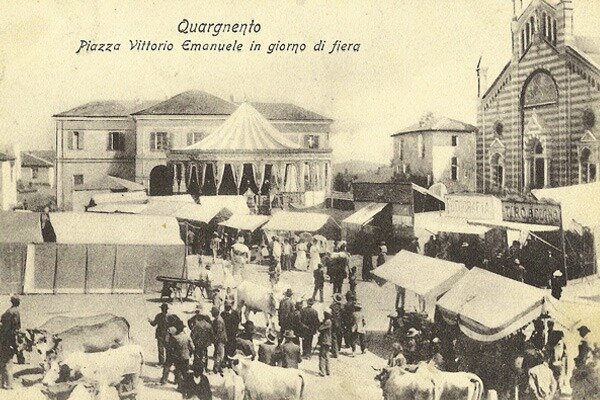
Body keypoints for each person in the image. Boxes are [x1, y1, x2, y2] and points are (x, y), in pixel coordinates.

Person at [0, 296, 21, 390]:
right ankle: (9, 385)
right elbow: (16, 328)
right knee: (8, 363)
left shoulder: (7, 312)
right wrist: (16, 343)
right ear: (17, 302)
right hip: (9, 340)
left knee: (3, 363)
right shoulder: (15, 312)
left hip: (3, 339)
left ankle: (2, 383)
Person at [169, 320, 194, 389]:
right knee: (185, 371)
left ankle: (179, 386)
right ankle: (186, 386)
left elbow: (171, 348)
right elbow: (192, 347)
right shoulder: (187, 337)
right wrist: (189, 354)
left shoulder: (175, 338)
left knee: (178, 371)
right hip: (186, 357)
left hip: (178, 357)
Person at [190, 308, 213, 375]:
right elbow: (211, 335)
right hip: (205, 344)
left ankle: (196, 368)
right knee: (205, 355)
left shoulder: (197, 325)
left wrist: (193, 341)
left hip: (198, 343)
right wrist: (210, 342)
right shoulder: (209, 325)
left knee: (197, 355)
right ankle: (204, 368)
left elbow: (192, 335)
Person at [211, 306, 226, 374]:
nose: (211, 314)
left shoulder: (218, 320)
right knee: (218, 354)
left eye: (212, 312)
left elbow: (219, 331)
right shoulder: (218, 319)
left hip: (220, 340)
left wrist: (215, 339)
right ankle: (217, 367)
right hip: (219, 339)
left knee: (218, 354)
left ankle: (217, 369)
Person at [318, 311, 333, 377]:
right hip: (328, 340)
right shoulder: (329, 321)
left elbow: (320, 328)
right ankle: (328, 370)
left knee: (322, 355)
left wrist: (321, 323)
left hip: (324, 340)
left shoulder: (327, 321)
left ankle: (322, 371)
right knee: (327, 355)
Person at [330, 293, 343, 358]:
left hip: (334, 322)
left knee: (334, 337)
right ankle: (338, 348)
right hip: (340, 323)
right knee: (339, 336)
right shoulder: (342, 306)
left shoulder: (332, 306)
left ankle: (334, 350)